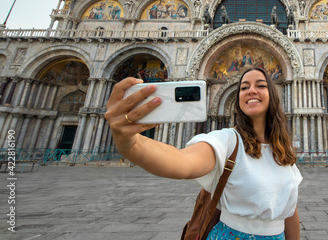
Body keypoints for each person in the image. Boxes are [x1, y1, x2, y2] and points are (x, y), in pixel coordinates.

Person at [104, 67, 302, 239]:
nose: (251, 90)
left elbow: (288, 210)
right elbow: (183, 162)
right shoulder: (228, 141)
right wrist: (130, 143)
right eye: (243, 87)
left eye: (260, 85)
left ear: (273, 95)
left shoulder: (283, 152)